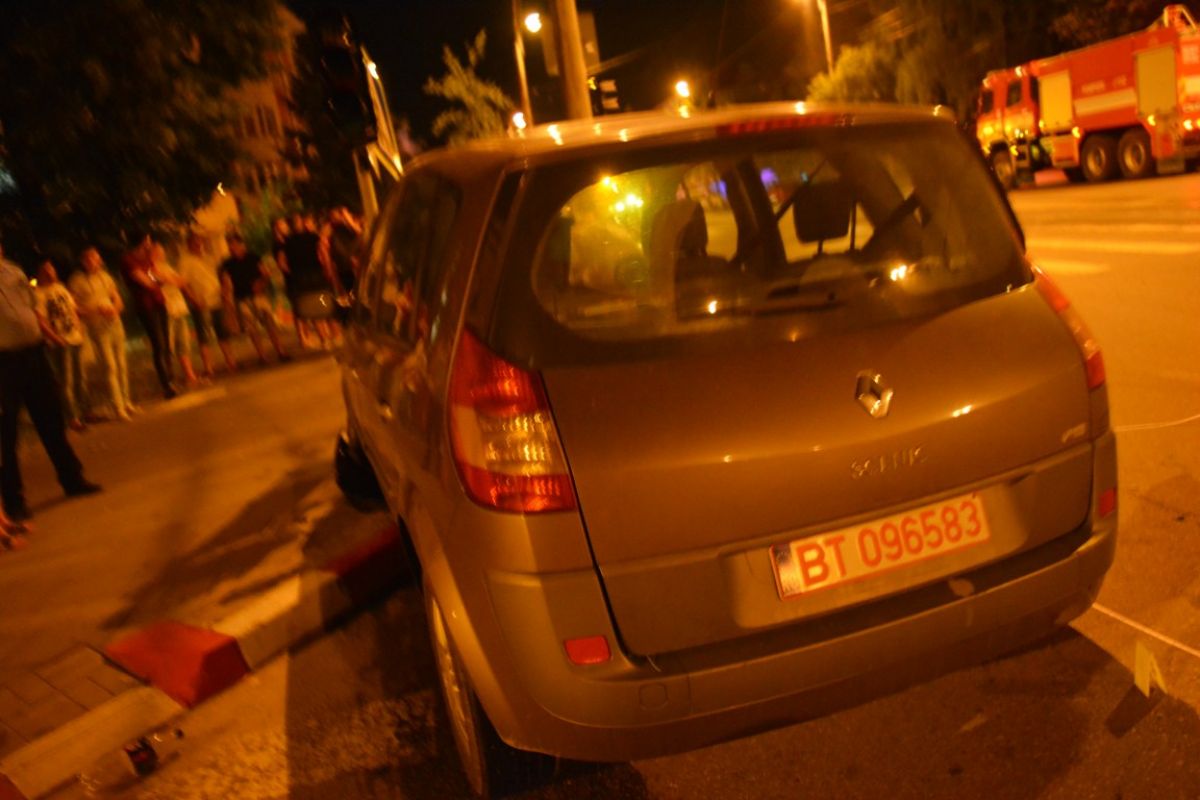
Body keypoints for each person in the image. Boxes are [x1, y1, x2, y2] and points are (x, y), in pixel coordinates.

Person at [0, 238, 101, 522]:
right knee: (6, 433)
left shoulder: (13, 271)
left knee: (51, 419)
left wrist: (46, 336)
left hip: (33, 354)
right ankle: (14, 500)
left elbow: (33, 307)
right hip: (3, 362)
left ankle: (72, 478)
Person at [69, 247, 136, 420]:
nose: (96, 262)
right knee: (109, 365)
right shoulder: (76, 281)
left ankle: (126, 401)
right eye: (92, 259)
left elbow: (116, 297)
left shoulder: (105, 277)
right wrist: (94, 311)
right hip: (97, 327)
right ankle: (117, 406)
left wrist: (115, 309)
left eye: (97, 259)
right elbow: (73, 307)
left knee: (121, 364)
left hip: (114, 323)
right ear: (84, 262)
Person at [34, 258, 89, 431]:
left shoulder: (60, 288)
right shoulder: (38, 294)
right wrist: (55, 338)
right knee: (66, 381)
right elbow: (41, 320)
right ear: (40, 273)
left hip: (74, 337)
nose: (51, 272)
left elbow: (73, 310)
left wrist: (79, 329)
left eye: (52, 269)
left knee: (80, 377)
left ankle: (84, 412)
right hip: (59, 340)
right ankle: (72, 417)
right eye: (46, 270)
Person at [218, 233, 289, 365]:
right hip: (241, 298)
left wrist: (261, 283)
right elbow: (226, 282)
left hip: (258, 296)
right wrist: (228, 297)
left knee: (270, 323)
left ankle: (280, 350)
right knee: (252, 329)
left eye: (234, 244)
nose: (232, 247)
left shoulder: (253, 258)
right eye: (230, 245)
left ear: (242, 245)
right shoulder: (227, 264)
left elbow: (265, 273)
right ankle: (262, 356)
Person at [122, 234, 176, 399]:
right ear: (139, 242)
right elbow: (146, 281)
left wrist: (157, 278)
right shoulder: (128, 260)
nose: (150, 244)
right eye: (147, 241)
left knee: (166, 342)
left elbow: (155, 276)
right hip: (146, 306)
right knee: (158, 344)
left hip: (159, 302)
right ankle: (166, 384)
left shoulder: (147, 259)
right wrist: (157, 279)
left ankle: (171, 378)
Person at [177, 232, 236, 376]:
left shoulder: (210, 257)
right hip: (201, 302)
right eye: (195, 242)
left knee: (223, 332)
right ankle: (208, 367)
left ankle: (230, 361)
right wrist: (193, 299)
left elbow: (222, 275)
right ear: (189, 245)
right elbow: (183, 284)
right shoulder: (185, 262)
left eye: (200, 242)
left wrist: (225, 291)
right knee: (204, 336)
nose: (198, 245)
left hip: (217, 299)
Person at [280, 213, 334, 349]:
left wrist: (293, 272)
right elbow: (323, 254)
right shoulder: (313, 237)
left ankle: (324, 337)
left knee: (311, 307)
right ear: (302, 223)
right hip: (316, 274)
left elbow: (283, 263)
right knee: (321, 304)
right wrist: (328, 269)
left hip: (300, 278)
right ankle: (326, 336)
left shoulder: (286, 242)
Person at [151, 243, 199, 387]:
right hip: (166, 310)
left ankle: (190, 375)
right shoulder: (150, 269)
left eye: (162, 251)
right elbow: (168, 281)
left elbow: (182, 282)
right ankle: (169, 378)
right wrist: (171, 279)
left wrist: (171, 279)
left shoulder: (166, 267)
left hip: (179, 308)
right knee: (168, 346)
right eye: (158, 252)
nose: (162, 254)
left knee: (183, 343)